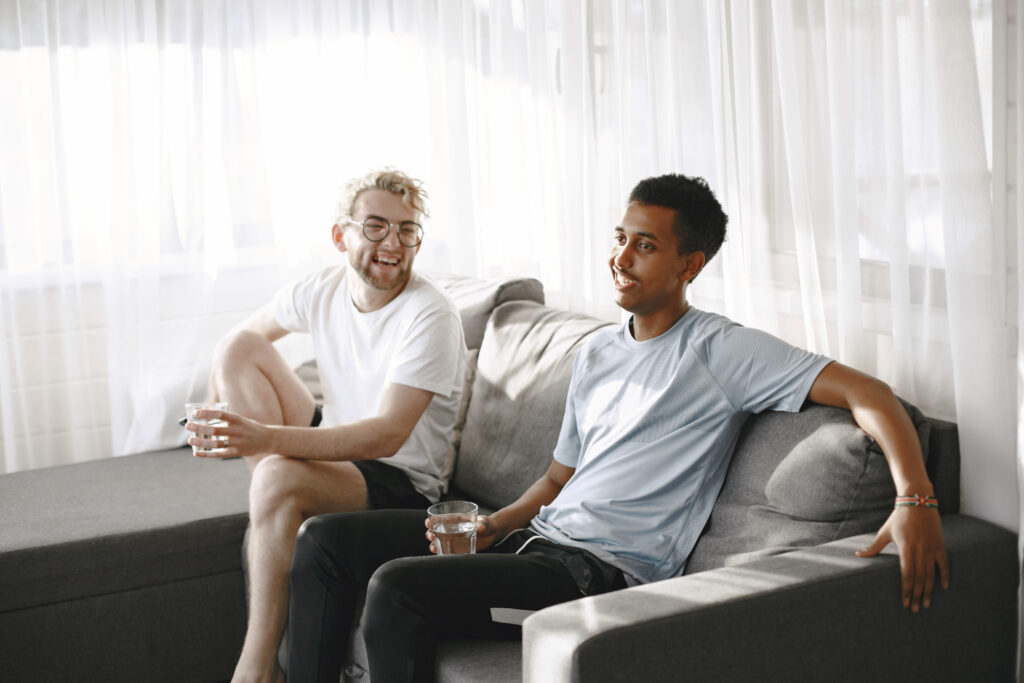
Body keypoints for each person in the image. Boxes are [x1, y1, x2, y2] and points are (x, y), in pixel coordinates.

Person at [285, 173, 949, 683]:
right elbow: (557, 475)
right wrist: (497, 523)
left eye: (646, 245)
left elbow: (870, 393)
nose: (621, 257)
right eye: (620, 237)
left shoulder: (720, 351)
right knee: (327, 541)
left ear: (689, 265)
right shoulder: (600, 350)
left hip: (593, 576)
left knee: (399, 589)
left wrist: (914, 497)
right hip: (532, 542)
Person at [185, 168, 467, 683]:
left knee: (273, 475)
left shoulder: (431, 314)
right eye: (376, 226)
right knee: (238, 348)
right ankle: (280, 505)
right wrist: (214, 411)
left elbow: (387, 434)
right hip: (337, 447)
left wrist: (266, 441)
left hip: (397, 481)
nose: (393, 243)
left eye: (407, 231)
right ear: (342, 235)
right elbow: (245, 338)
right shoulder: (323, 288)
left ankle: (256, 669)